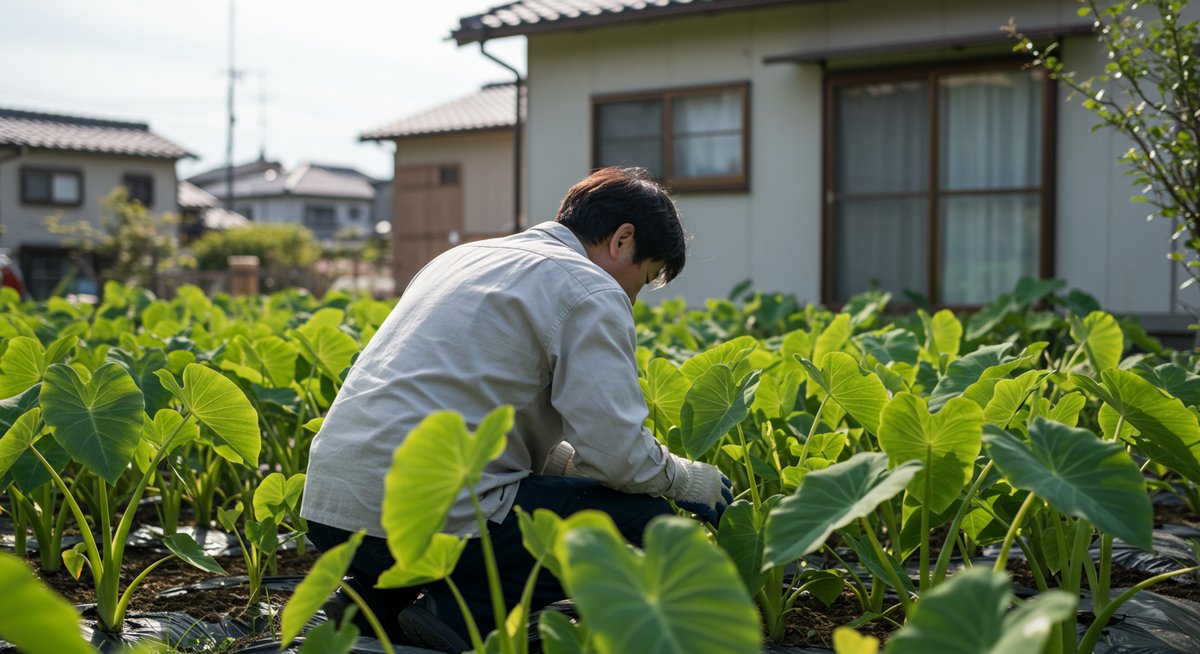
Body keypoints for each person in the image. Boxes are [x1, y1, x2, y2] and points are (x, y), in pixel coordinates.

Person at [300, 166, 732, 650]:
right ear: (623, 239)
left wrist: (569, 463)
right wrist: (685, 479)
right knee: (640, 519)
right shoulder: (590, 287)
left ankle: (369, 605)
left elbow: (469, 402)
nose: (632, 298)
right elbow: (618, 454)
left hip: (332, 512)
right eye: (643, 279)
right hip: (422, 520)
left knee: (513, 502)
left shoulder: (462, 258)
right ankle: (460, 616)